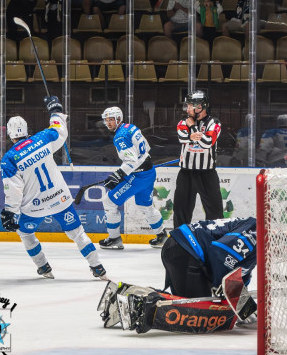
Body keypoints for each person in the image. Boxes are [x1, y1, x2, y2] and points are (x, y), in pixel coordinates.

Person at [0, 96, 107, 280]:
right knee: (77, 233)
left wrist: (10, 212)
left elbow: (14, 190)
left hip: (34, 207)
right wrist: (55, 111)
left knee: (25, 233)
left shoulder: (9, 158)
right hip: (60, 198)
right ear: (26, 130)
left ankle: (44, 267)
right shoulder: (42, 138)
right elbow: (59, 130)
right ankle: (97, 267)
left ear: (10, 134)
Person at [98, 217, 257, 334]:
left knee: (187, 304)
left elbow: (236, 272)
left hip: (181, 249)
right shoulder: (257, 230)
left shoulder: (256, 233)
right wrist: (220, 286)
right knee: (200, 313)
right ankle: (137, 302)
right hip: (186, 252)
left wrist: (242, 305)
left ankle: (126, 295)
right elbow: (220, 252)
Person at [156, 90, 224, 247]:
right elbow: (182, 138)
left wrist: (193, 129)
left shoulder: (215, 123)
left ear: (200, 107)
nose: (187, 110)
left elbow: (207, 143)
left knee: (215, 211)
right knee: (181, 210)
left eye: (190, 106)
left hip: (207, 174)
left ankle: (217, 243)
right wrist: (196, 135)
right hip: (186, 173)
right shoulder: (182, 122)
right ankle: (179, 243)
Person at [97, 106, 169, 250]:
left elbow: (131, 162)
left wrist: (118, 174)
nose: (109, 123)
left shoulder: (120, 137)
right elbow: (146, 148)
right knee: (144, 205)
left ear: (118, 119)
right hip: (149, 171)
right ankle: (161, 235)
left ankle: (114, 238)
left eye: (111, 120)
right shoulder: (130, 127)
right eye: (107, 120)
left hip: (138, 176)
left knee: (109, 202)